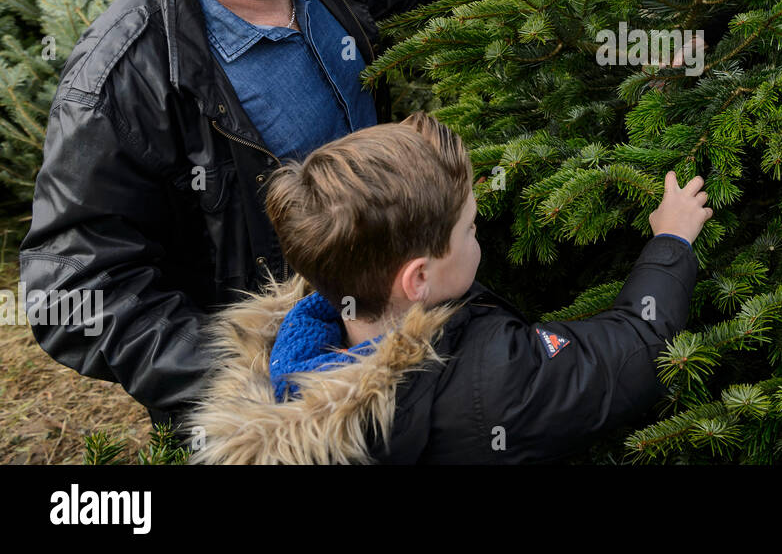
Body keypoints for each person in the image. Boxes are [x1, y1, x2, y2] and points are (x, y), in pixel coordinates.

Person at [19, 0, 591, 427]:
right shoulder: (124, 81)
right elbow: (74, 289)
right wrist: (263, 388)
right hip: (307, 404)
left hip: (403, 323)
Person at [186, 113, 710, 464]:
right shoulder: (486, 388)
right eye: (470, 229)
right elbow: (636, 349)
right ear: (417, 279)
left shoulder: (299, 347)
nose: (477, 238)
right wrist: (671, 240)